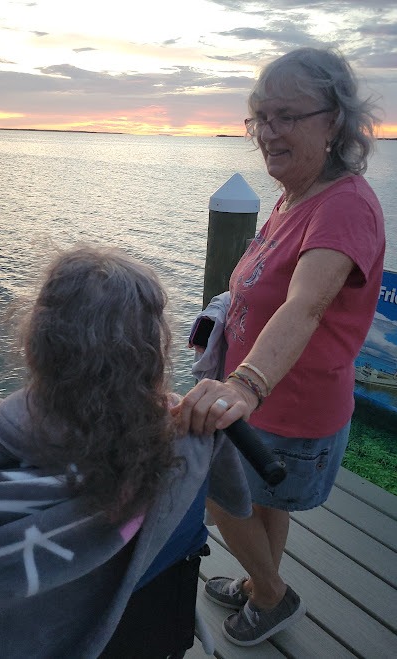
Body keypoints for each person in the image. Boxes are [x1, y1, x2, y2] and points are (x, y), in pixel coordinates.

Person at [0, 244, 251, 658]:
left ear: (33, 348)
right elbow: (237, 503)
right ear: (153, 358)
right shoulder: (190, 449)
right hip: (149, 637)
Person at [176, 47, 386, 647]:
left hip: (289, 407)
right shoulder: (298, 193)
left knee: (217, 495)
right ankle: (259, 582)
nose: (269, 133)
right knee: (264, 506)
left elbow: (305, 305)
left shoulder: (343, 208)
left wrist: (243, 386)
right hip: (269, 404)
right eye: (261, 117)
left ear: (335, 121)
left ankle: (270, 594)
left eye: (287, 116)